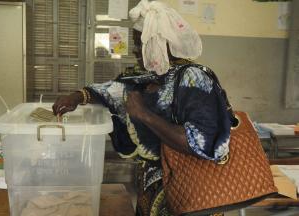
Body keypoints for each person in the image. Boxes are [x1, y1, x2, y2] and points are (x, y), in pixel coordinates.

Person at [53, 0, 231, 215]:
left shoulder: (194, 78)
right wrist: (77, 96)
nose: (136, 51)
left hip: (193, 189)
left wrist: (144, 115)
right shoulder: (146, 76)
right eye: (136, 44)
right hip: (153, 186)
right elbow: (112, 90)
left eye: (142, 44)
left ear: (164, 43)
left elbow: (202, 144)